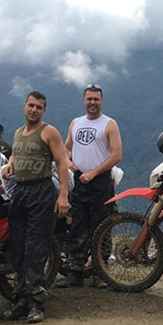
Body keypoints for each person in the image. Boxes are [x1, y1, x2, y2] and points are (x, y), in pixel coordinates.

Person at [0, 91, 71, 323]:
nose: (34, 110)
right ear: (24, 107)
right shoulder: (18, 133)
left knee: (36, 247)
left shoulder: (49, 132)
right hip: (20, 191)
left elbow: (62, 162)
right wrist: (10, 165)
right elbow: (15, 153)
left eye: (39, 107)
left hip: (41, 191)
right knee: (18, 248)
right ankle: (21, 300)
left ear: (44, 111)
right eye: (31, 105)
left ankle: (37, 305)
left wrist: (63, 195)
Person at [56, 84, 123, 288]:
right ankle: (75, 272)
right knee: (77, 226)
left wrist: (94, 172)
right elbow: (66, 149)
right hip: (79, 182)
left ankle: (100, 273)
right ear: (83, 100)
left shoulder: (109, 124)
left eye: (96, 99)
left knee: (101, 227)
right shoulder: (75, 123)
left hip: (101, 182)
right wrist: (69, 163)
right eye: (89, 99)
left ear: (101, 101)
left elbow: (116, 155)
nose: (92, 102)